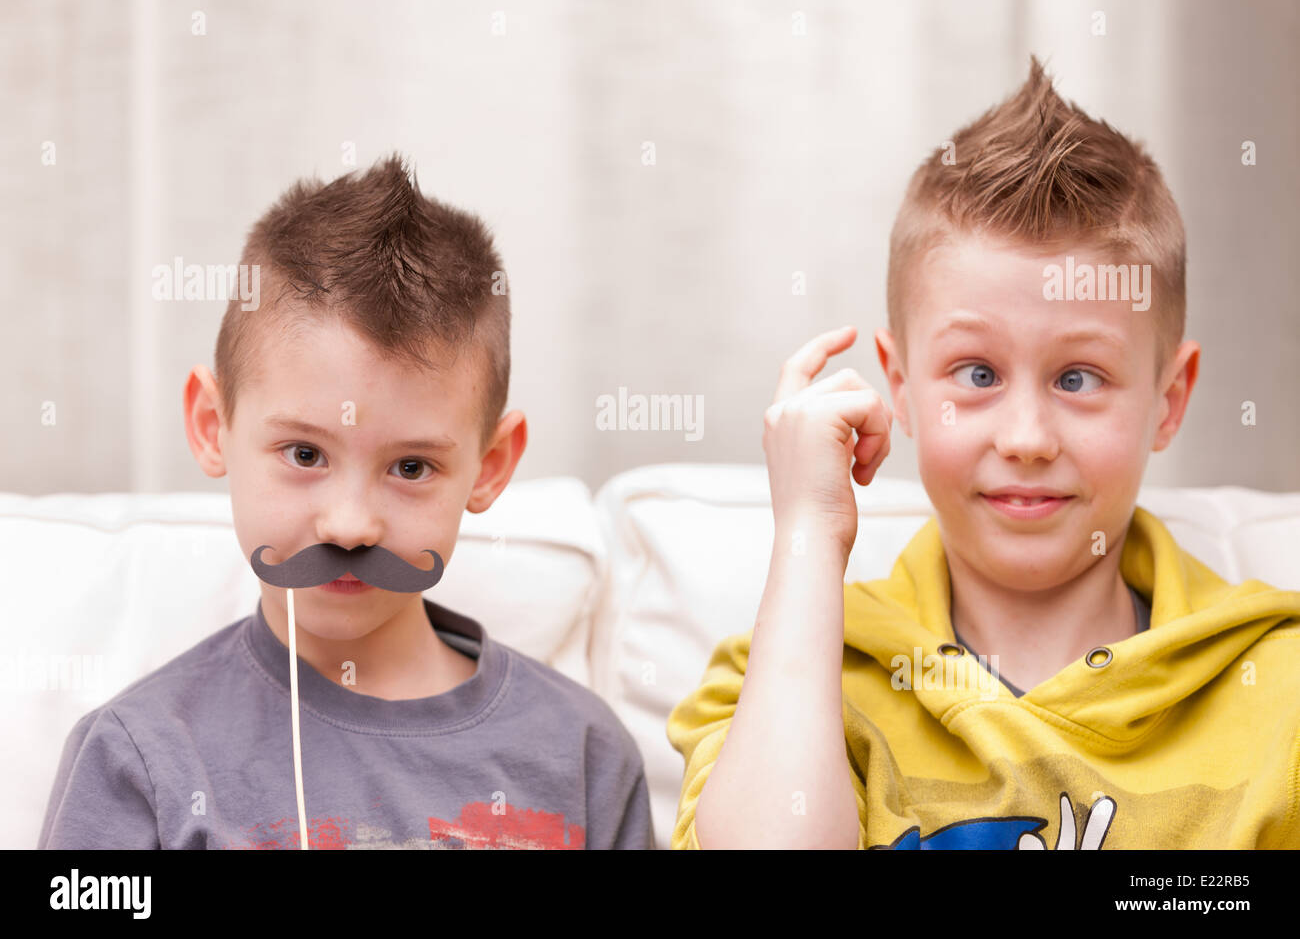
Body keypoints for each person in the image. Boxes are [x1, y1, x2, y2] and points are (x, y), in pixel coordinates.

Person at [666, 57, 1300, 849]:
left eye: (1078, 377)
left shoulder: (1279, 689)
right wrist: (806, 533)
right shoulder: (795, 676)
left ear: (1167, 401)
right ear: (899, 387)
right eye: (977, 374)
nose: (1026, 439)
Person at [39, 153, 652, 849]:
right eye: (305, 455)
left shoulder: (584, 754)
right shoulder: (138, 758)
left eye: (411, 466)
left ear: (489, 467)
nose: (352, 525)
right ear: (214, 428)